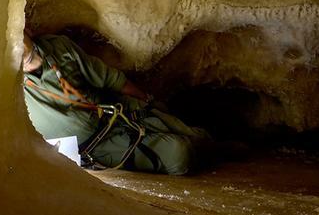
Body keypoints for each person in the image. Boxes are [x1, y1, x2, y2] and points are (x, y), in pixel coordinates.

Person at [21, 30, 209, 175]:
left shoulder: (58, 47)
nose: (17, 47)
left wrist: (148, 100)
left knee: (195, 136)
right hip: (97, 148)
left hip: (114, 112)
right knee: (179, 154)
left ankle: (220, 147)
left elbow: (110, 79)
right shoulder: (10, 85)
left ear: (27, 29)